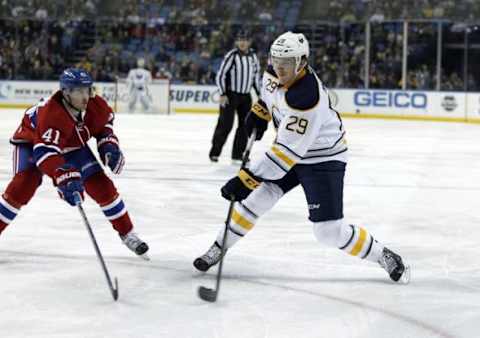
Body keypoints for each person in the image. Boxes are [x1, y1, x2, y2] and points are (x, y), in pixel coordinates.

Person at [194, 32, 410, 283]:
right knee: (255, 201)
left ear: (302, 62)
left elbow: (283, 156)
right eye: (275, 61)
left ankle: (382, 254)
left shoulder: (307, 97)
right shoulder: (273, 70)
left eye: (286, 63)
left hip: (322, 158)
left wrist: (246, 179)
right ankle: (219, 246)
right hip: (291, 148)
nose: (279, 67)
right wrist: (261, 111)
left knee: (328, 232)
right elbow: (270, 97)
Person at [0, 68, 149, 258]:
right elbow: (45, 151)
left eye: (87, 90)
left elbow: (105, 125)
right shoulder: (52, 114)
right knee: (24, 184)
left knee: (101, 185)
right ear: (66, 92)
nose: (85, 96)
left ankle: (128, 233)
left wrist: (108, 145)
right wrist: (62, 174)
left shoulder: (96, 105)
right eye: (78, 91)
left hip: (71, 144)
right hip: (32, 142)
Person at [209, 30, 262, 164]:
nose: (243, 42)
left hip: (246, 96)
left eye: (245, 40)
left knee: (245, 126)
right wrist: (223, 93)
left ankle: (237, 155)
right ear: (237, 42)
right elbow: (221, 75)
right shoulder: (231, 56)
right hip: (230, 95)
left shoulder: (253, 57)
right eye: (240, 40)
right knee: (225, 124)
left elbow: (256, 77)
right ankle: (215, 153)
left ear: (249, 42)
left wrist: (261, 94)